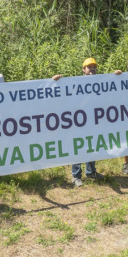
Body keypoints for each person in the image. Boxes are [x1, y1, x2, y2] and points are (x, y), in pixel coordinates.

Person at [52, 58, 105, 186]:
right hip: (78, 122)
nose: (92, 69)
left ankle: (91, 172)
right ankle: (76, 176)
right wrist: (56, 82)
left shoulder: (100, 82)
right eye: (89, 67)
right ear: (83, 69)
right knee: (78, 147)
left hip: (93, 120)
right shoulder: (75, 83)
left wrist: (118, 75)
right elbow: (61, 93)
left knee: (92, 146)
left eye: (94, 66)